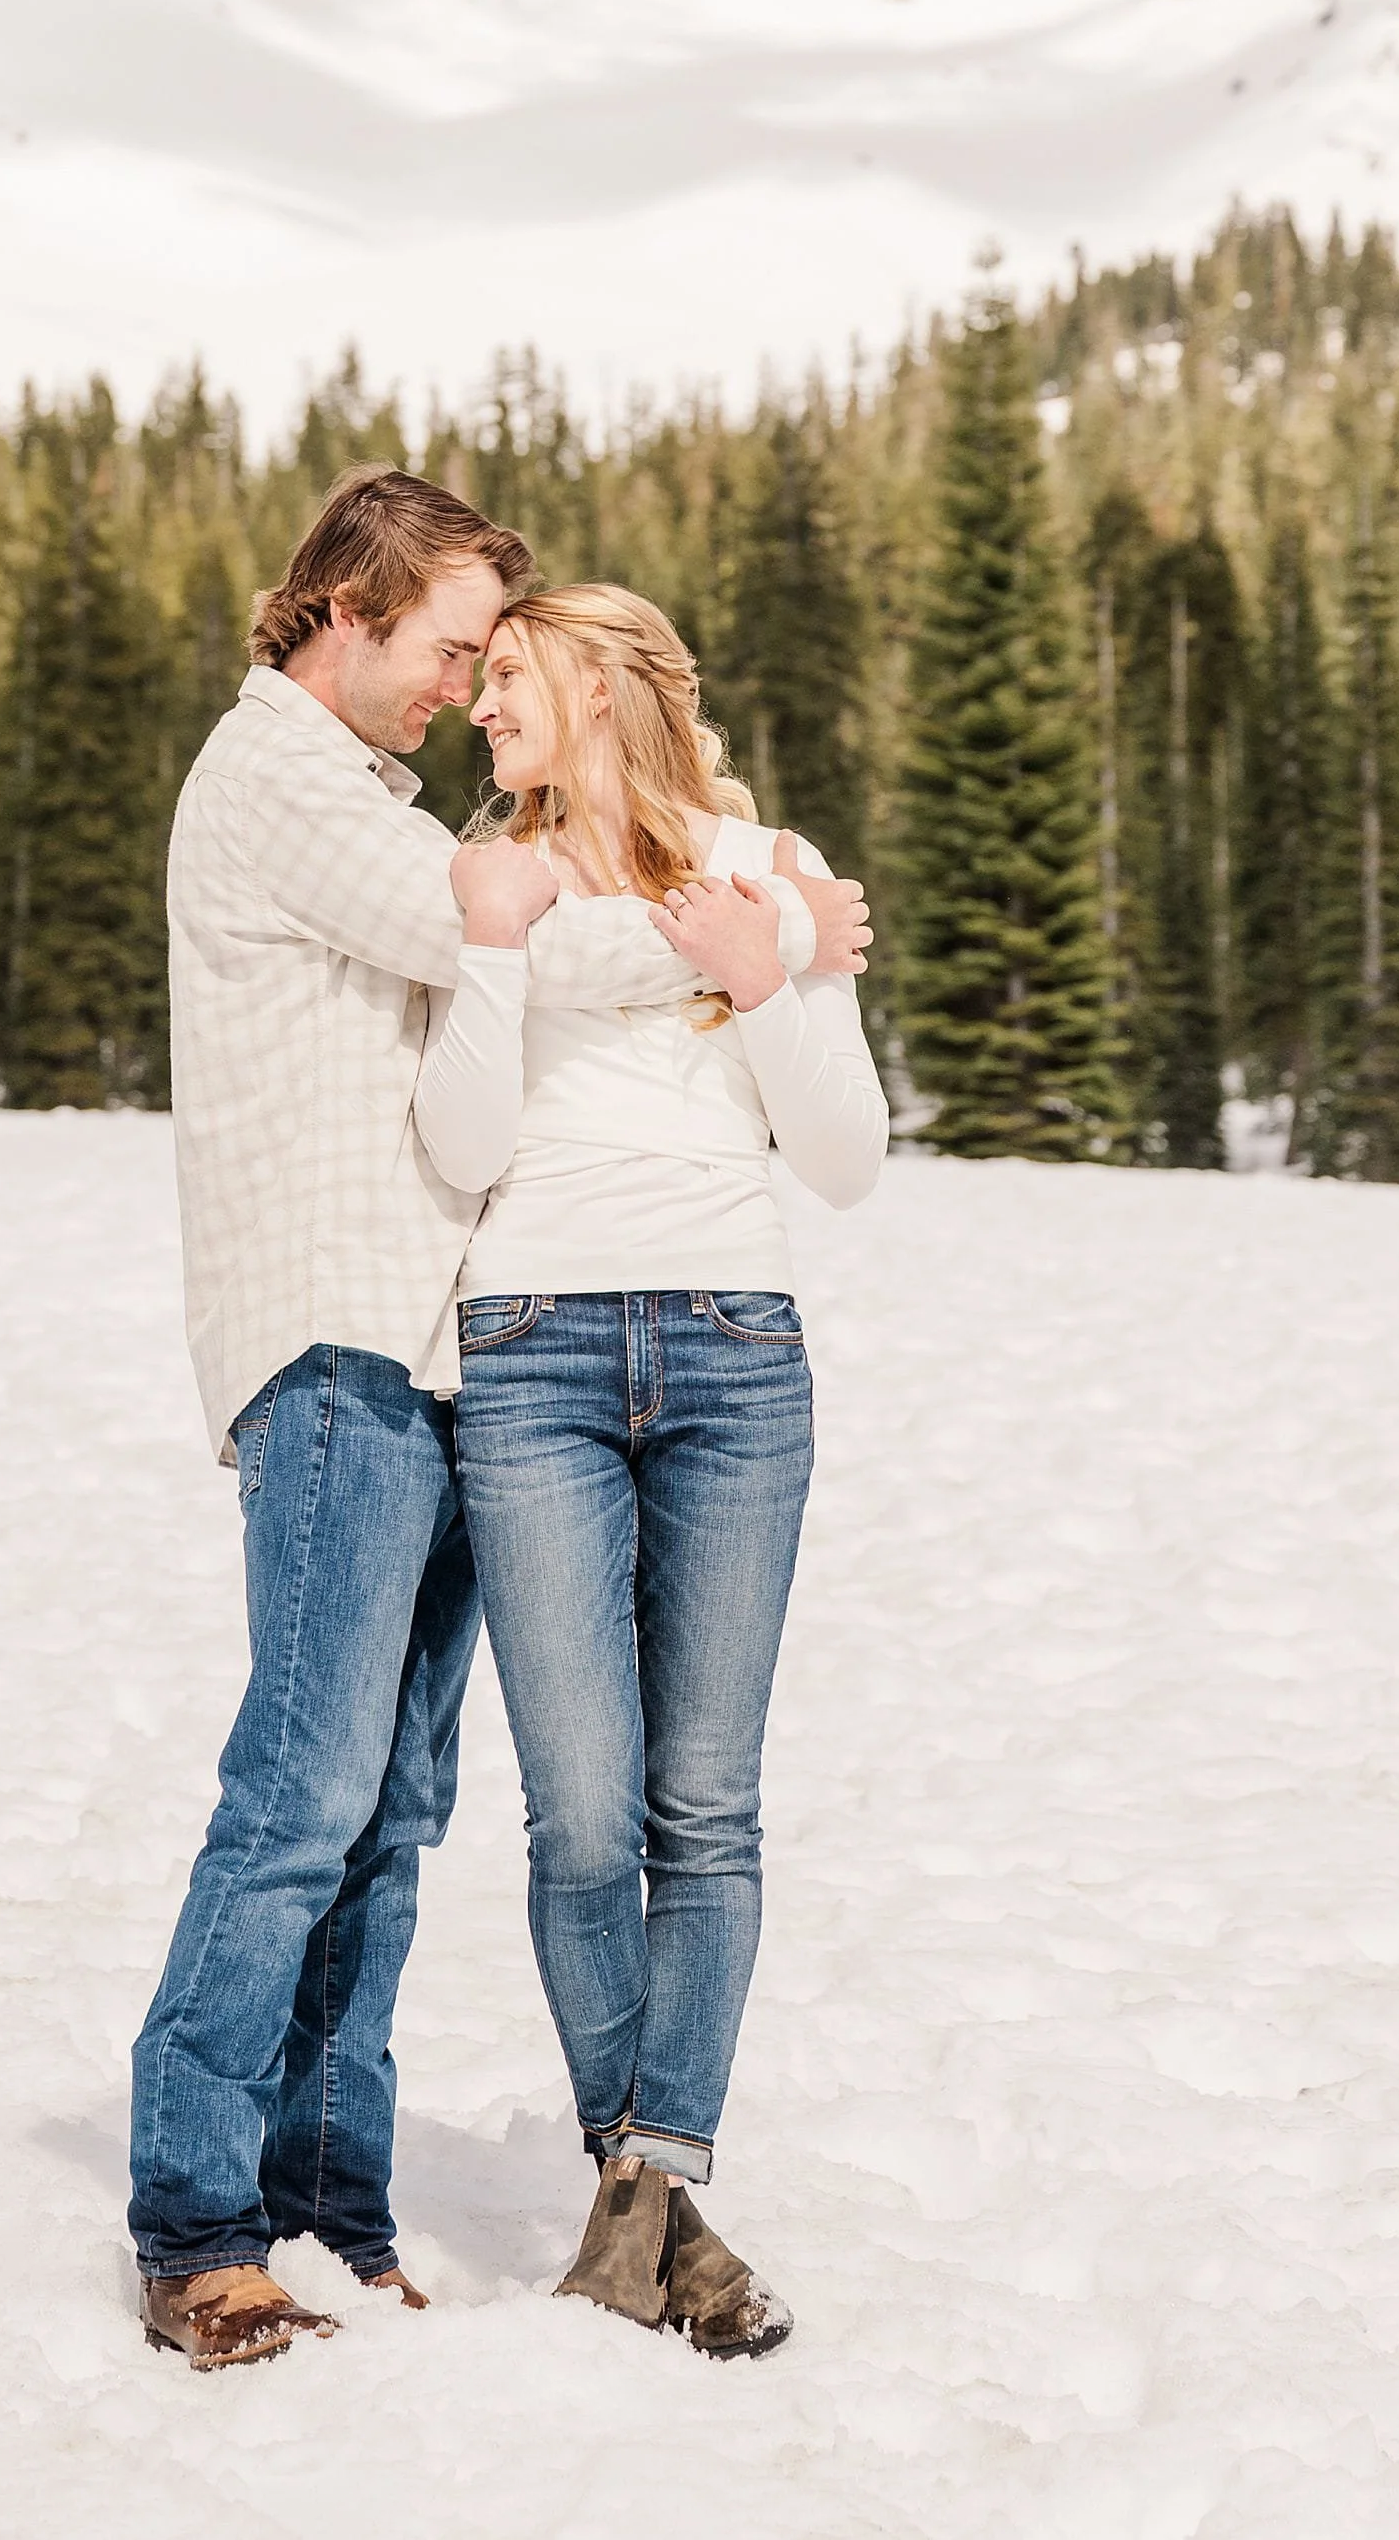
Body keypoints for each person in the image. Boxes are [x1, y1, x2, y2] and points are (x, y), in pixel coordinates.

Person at [128, 473, 839, 2372]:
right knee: (302, 1796)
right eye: (451, 646)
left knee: (395, 1809)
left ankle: (332, 2200)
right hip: (340, 1344)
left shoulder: (367, 786)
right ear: (347, 613)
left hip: (447, 1358)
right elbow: (490, 938)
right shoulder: (275, 773)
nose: (462, 687)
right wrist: (753, 922)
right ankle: (201, 2215)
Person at [411, 582, 887, 2359]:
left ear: (604, 683)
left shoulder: (767, 863)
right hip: (527, 1348)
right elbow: (459, 1141)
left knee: (706, 1807)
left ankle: (642, 2184)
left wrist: (768, 983)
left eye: (510, 676)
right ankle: (666, 2224)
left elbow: (844, 1154)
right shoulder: (491, 873)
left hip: (734, 1353)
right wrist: (482, 947)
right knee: (582, 1815)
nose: (481, 707)